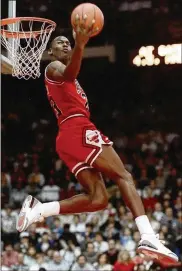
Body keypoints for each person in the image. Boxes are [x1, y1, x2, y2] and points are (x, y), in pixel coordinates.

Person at [16, 14, 178, 263]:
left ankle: (40, 210)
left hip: (68, 138)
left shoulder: (69, 76)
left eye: (67, 42)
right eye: (59, 42)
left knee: (99, 199)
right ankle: (148, 236)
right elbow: (69, 73)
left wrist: (78, 47)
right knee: (123, 176)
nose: (65, 44)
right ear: (49, 51)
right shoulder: (53, 68)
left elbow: (72, 74)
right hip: (77, 129)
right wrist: (80, 44)